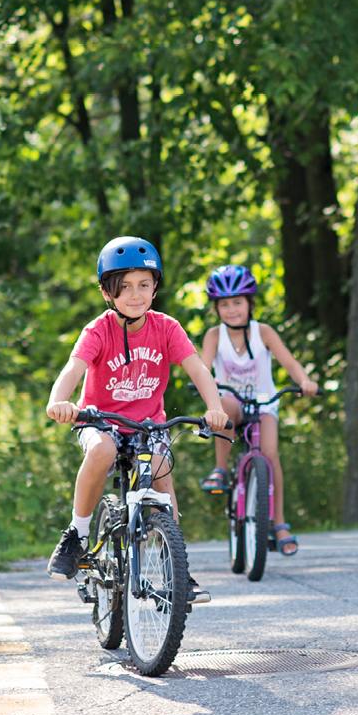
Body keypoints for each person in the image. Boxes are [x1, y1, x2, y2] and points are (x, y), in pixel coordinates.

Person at [45, 236, 230, 590]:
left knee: (161, 472)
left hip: (147, 424)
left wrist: (215, 408)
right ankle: (77, 533)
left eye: (144, 285)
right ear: (107, 294)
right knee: (103, 451)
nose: (135, 295)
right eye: (124, 287)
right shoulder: (98, 330)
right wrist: (60, 402)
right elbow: (72, 370)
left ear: (155, 288)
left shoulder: (166, 328)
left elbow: (198, 370)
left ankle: (175, 565)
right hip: (99, 421)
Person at [195, 265, 321, 556]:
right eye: (224, 304)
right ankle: (221, 470)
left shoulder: (263, 332)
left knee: (270, 453)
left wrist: (305, 381)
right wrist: (206, 380)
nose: (231, 310)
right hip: (232, 402)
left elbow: (289, 363)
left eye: (237, 302)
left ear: (251, 304)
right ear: (216, 308)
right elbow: (203, 367)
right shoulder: (215, 336)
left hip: (264, 402)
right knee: (222, 411)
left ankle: (279, 524)